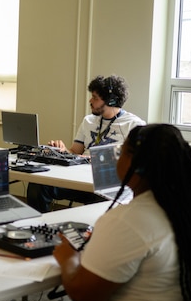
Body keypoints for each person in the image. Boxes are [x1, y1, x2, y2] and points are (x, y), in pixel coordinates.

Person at [51, 124, 191, 301]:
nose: (116, 159)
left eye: (120, 152)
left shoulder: (128, 220)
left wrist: (69, 258)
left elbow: (84, 295)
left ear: (136, 166)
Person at [26, 74, 145, 212]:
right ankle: (39, 223)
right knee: (38, 185)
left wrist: (100, 159)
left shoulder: (134, 125)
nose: (90, 100)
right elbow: (75, 151)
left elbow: (137, 163)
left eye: (95, 98)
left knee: (102, 203)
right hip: (79, 177)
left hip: (107, 183)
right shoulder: (88, 121)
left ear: (111, 101)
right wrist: (62, 150)